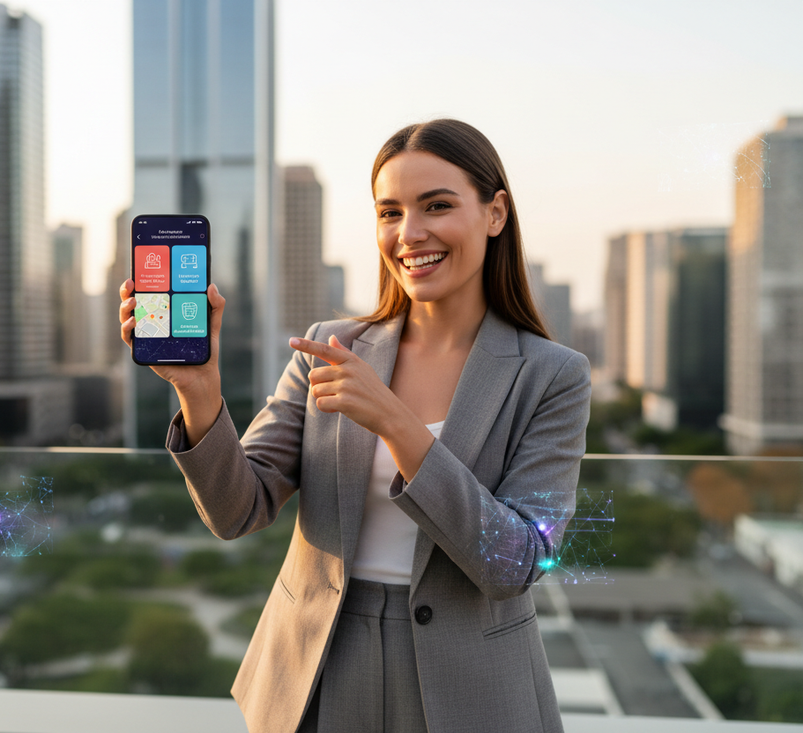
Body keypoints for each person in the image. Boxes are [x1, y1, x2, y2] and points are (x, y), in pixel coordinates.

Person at [118, 118, 590, 733]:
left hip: (472, 687)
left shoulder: (553, 375)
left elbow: (516, 563)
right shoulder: (328, 347)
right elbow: (238, 511)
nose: (409, 233)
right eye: (389, 212)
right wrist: (199, 387)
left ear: (495, 212)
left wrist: (397, 423)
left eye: (437, 206)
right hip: (320, 665)